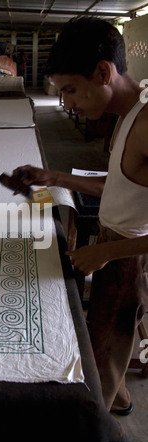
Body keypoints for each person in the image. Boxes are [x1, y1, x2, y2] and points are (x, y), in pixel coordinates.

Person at [13, 17, 148, 416]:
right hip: (117, 246)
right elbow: (124, 184)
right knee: (110, 341)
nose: (67, 103)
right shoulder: (129, 112)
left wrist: (109, 254)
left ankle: (98, 419)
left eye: (70, 90)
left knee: (100, 351)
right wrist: (54, 177)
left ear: (103, 72)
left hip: (128, 258)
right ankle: (120, 396)